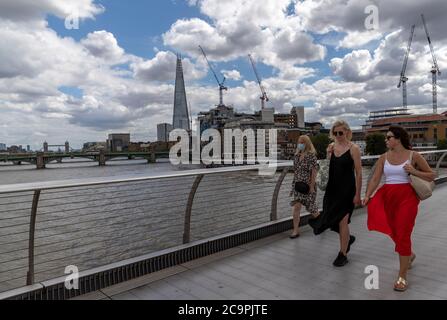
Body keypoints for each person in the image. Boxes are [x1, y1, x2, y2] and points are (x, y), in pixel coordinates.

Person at [363, 125, 436, 291]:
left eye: (389, 137)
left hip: (407, 197)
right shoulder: (383, 157)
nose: (386, 140)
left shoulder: (413, 156)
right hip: (387, 197)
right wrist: (367, 194)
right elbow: (375, 179)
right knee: (394, 231)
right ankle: (409, 254)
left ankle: (402, 276)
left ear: (398, 139)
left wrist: (413, 171)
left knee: (403, 233)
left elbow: (432, 175)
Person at [309, 120, 362, 267]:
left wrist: (358, 194)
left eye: (341, 132)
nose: (338, 135)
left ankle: (342, 254)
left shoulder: (354, 148)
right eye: (335, 133)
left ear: (347, 132)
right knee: (331, 219)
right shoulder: (331, 147)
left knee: (343, 221)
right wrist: (328, 154)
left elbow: (358, 173)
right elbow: (326, 168)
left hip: (347, 190)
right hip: (332, 190)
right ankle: (348, 239)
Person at [289, 135, 320, 238]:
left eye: (302, 142)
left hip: (308, 186)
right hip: (298, 186)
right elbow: (296, 171)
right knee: (296, 207)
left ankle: (323, 223)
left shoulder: (311, 156)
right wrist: (294, 185)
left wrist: (311, 187)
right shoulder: (296, 156)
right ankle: (296, 230)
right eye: (299, 142)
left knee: (312, 208)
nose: (300, 144)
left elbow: (314, 171)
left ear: (307, 143)